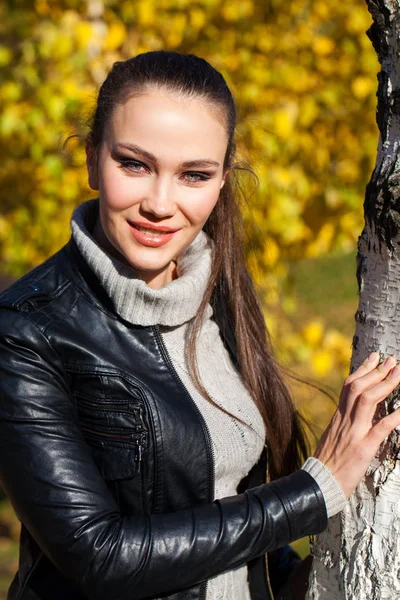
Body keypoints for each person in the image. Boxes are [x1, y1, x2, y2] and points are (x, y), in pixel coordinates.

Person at [0, 50, 399, 600]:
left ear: (221, 183)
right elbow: (98, 553)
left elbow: (223, 502)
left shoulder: (219, 293)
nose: (160, 204)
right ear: (93, 160)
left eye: (193, 175)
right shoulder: (28, 330)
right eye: (134, 164)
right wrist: (312, 491)